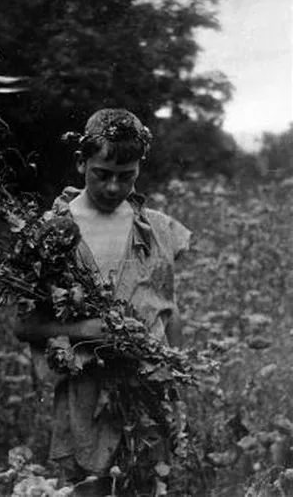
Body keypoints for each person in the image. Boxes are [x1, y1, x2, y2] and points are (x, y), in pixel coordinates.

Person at [14, 108, 191, 494]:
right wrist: (83, 330)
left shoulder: (157, 229)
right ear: (81, 163)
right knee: (88, 488)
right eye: (102, 174)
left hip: (149, 397)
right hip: (85, 399)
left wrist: (176, 391)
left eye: (126, 177)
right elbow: (24, 325)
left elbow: (169, 311)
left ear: (140, 169)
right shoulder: (50, 232)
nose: (113, 187)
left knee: (147, 484)